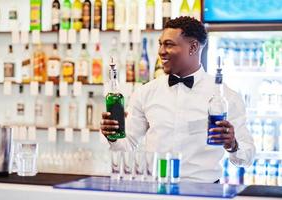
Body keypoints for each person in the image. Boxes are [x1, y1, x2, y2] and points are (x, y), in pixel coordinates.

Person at [100, 16, 255, 183]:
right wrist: (113, 136)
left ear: (193, 47)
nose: (161, 51)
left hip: (205, 191)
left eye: (169, 44)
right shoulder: (145, 93)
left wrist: (232, 144)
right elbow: (127, 147)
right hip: (155, 190)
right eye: (160, 44)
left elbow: (246, 157)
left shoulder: (227, 97)